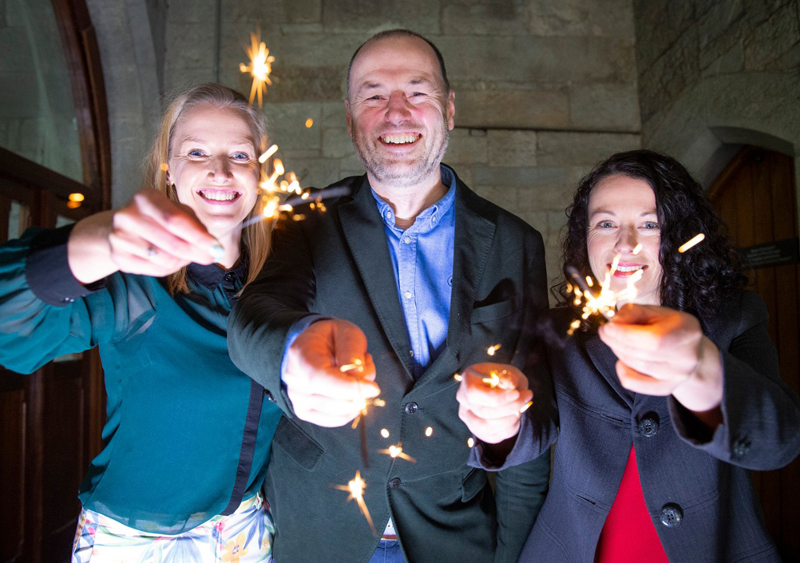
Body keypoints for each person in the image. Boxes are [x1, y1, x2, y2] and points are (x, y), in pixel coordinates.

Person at [227, 29, 555, 563]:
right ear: (350, 118)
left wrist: (513, 555)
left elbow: (530, 415)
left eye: (417, 92)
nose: (396, 112)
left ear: (450, 109)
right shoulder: (302, 220)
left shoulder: (515, 242)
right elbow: (253, 315)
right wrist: (292, 355)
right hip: (318, 532)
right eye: (373, 95)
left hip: (453, 540)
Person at [457, 149, 800, 561]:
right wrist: (499, 419)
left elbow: (779, 442)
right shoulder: (558, 332)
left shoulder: (736, 317)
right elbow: (532, 428)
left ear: (681, 237)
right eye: (606, 223)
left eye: (650, 224)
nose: (625, 244)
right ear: (585, 237)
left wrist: (701, 370)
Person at [0, 83, 283, 562]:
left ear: (260, 172)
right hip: (135, 541)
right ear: (169, 168)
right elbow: (10, 334)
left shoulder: (281, 282)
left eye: (240, 154)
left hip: (246, 535)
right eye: (197, 152)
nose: (220, 171)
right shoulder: (135, 285)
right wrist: (93, 245)